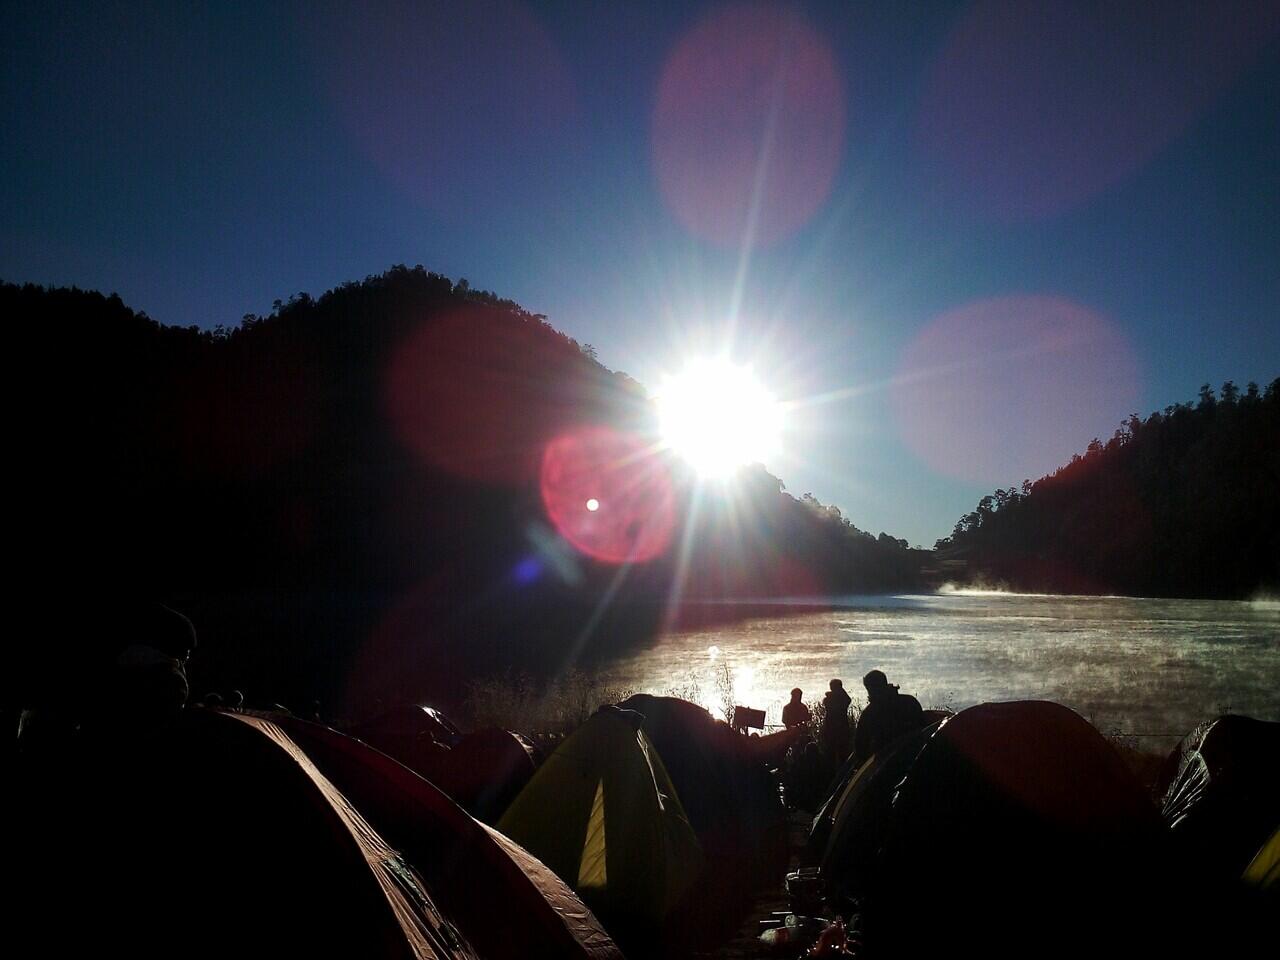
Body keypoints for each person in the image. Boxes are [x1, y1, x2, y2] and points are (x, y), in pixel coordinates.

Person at [851, 669, 924, 767]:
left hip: (887, 767)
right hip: (918, 757)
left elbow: (860, 749)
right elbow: (923, 725)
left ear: (871, 689)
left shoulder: (869, 713)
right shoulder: (910, 701)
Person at [820, 679, 852, 764]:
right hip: (841, 728)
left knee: (832, 753)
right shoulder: (842, 699)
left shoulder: (828, 699)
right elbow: (848, 699)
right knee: (841, 753)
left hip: (831, 728)